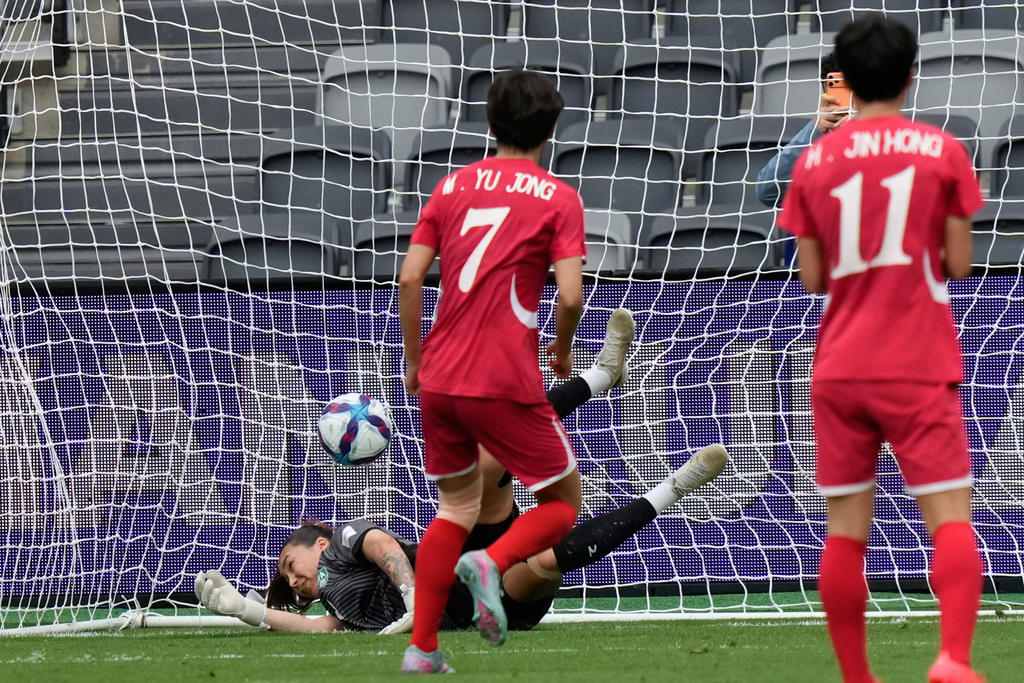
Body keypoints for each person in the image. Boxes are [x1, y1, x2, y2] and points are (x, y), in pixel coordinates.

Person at [778, 15, 985, 683]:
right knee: (949, 515)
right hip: (917, 358)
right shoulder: (942, 149)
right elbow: (958, 262)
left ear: (846, 79)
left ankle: (858, 677)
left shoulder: (814, 160)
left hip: (840, 364)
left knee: (846, 530)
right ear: (910, 76)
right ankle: (952, 657)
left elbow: (810, 276)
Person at [397, 68, 587, 673]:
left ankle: (422, 649)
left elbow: (408, 277)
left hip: (441, 376)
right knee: (562, 502)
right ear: (552, 130)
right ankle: (494, 562)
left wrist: (415, 362)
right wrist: (559, 350)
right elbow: (572, 295)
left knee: (454, 510)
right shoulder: (558, 197)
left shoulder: (452, 187)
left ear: (489, 124)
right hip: (502, 376)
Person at [194, 442, 729, 638]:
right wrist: (245, 608)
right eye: (286, 577)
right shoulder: (337, 603)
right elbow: (313, 625)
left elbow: (384, 548)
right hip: (480, 613)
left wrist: (409, 594)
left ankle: (665, 482)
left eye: (291, 562)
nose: (292, 578)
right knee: (546, 561)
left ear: (320, 539)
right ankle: (669, 488)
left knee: (491, 463)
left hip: (456, 563)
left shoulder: (344, 541)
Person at [755, 51, 847, 210]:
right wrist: (814, 131)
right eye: (838, 89)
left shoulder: (888, 139)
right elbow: (767, 192)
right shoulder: (812, 142)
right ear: (825, 94)